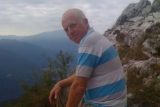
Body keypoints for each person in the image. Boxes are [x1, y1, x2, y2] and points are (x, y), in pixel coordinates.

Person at [49, 8, 127, 107]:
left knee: (65, 93)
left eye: (72, 25)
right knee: (63, 89)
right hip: (116, 101)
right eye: (66, 30)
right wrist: (60, 83)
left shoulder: (88, 43)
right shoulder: (94, 37)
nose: (70, 32)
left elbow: (79, 86)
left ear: (85, 22)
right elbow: (81, 74)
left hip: (105, 104)